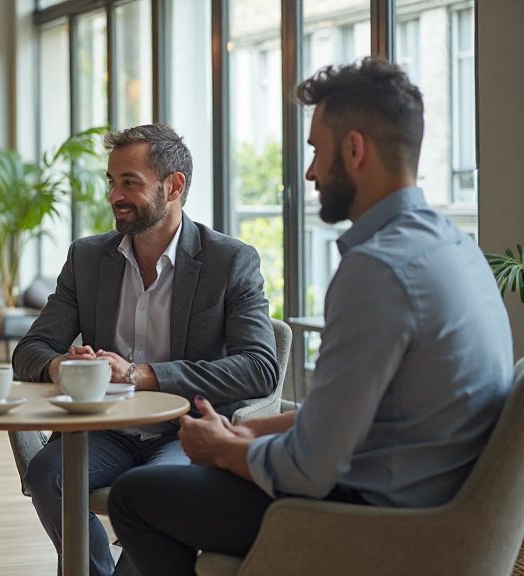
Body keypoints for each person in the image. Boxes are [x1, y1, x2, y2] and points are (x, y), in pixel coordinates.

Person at [107, 58, 513, 576]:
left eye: (317, 150)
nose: (310, 172)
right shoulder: (455, 247)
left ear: (354, 149)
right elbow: (352, 416)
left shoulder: (378, 269)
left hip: (370, 522)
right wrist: (244, 434)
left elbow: (309, 469)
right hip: (429, 505)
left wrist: (222, 449)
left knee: (136, 495)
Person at [11, 123, 279, 576]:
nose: (115, 195)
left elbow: (259, 368)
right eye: (112, 182)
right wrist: (62, 366)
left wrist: (140, 374)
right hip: (105, 431)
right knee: (46, 473)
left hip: (183, 432)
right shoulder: (87, 258)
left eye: (130, 183)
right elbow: (30, 349)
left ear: (174, 187)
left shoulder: (229, 261)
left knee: (152, 490)